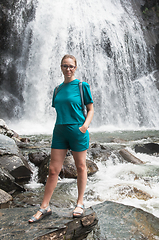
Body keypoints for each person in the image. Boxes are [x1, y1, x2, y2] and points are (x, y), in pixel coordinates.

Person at [28, 54, 94, 223]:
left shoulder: (81, 86)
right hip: (59, 131)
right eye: (65, 66)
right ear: (61, 67)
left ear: (76, 67)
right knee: (52, 170)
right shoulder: (57, 89)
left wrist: (85, 126)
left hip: (78, 131)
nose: (68, 69)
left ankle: (79, 203)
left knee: (80, 167)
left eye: (71, 66)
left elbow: (91, 109)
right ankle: (44, 207)